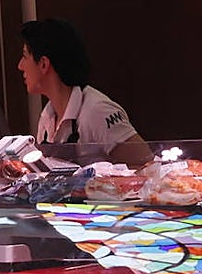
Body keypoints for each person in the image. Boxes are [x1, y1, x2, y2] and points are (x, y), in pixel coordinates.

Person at [19, 17, 152, 167]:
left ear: (43, 64)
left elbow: (146, 165)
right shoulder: (47, 116)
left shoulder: (97, 111)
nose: (20, 66)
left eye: (24, 56)